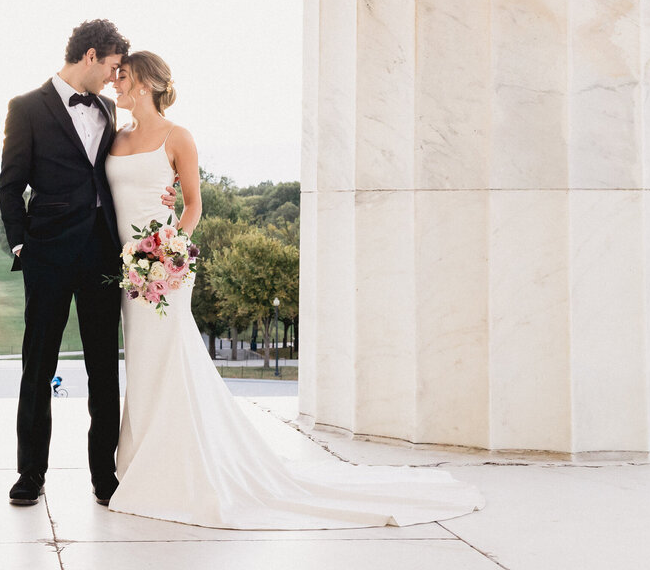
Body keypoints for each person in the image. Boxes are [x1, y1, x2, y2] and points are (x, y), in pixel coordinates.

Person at [104, 51, 484, 529]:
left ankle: (178, 465)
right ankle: (141, 461)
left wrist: (170, 251)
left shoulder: (178, 137)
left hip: (165, 270)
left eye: (122, 78)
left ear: (143, 84)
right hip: (127, 272)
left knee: (170, 358)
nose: (115, 85)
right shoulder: (115, 138)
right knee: (141, 362)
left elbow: (194, 205)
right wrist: (137, 259)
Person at [0, 20, 174, 507]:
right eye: (114, 68)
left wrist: (164, 196)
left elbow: (130, 169)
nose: (116, 79)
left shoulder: (106, 110)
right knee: (39, 365)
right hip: (47, 256)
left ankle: (104, 475)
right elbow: (10, 186)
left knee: (104, 368)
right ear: (92, 56)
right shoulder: (26, 108)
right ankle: (30, 473)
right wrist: (20, 245)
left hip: (102, 253)